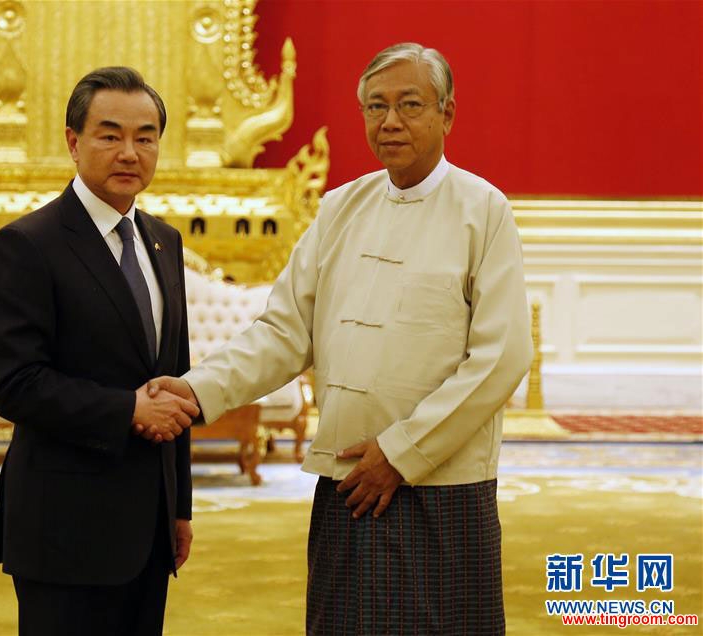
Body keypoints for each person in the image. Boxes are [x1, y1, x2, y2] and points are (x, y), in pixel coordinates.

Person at [149, 43, 532, 634]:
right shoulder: (339, 208)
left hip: (443, 487)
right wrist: (197, 391)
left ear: (447, 113)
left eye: (410, 104)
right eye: (375, 106)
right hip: (349, 481)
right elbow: (282, 333)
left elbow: (500, 358)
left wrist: (402, 454)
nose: (391, 121)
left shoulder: (483, 210)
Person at [0, 66, 199, 635]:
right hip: (64, 528)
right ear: (73, 143)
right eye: (110, 135)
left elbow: (174, 380)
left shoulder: (164, 241)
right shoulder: (26, 245)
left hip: (149, 527)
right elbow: (15, 383)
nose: (130, 152)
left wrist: (180, 507)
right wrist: (126, 410)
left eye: (145, 137)